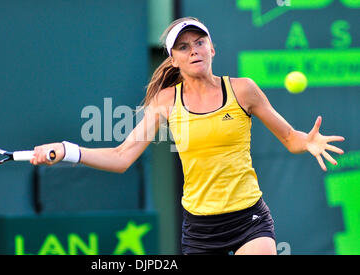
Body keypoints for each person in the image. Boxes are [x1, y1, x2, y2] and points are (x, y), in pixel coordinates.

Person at [30, 17, 345, 255]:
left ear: (212, 48)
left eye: (199, 42)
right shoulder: (166, 101)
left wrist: (306, 141)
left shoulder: (243, 89)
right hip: (200, 229)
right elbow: (121, 156)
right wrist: (68, 149)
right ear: (173, 60)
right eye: (183, 47)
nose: (193, 50)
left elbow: (289, 138)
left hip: (249, 219)